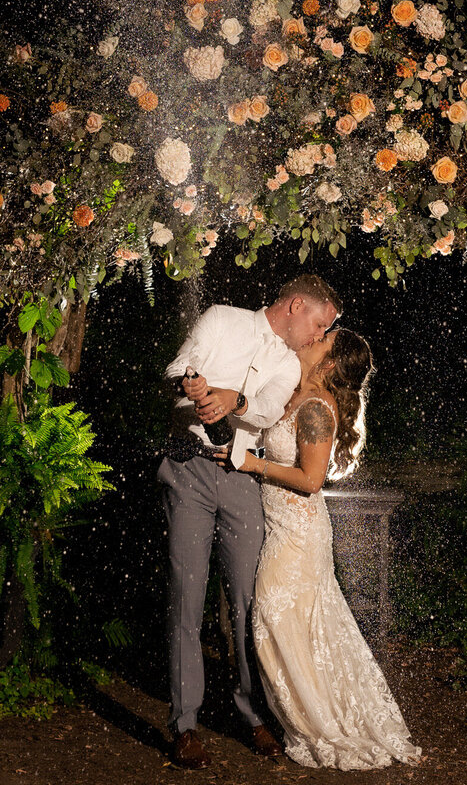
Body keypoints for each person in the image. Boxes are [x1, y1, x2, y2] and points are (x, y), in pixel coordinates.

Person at [217, 328, 422, 770]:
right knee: (297, 624)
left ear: (328, 364)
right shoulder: (295, 394)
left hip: (299, 533)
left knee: (273, 613)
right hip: (281, 524)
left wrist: (252, 464)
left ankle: (317, 724)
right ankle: (316, 715)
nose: (312, 339)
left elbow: (311, 481)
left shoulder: (315, 409)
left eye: (322, 340)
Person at [159, 275, 342, 770]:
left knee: (247, 601)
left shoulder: (285, 362)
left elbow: (263, 414)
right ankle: (185, 723)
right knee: (187, 596)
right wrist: (192, 384)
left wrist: (233, 400)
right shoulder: (221, 318)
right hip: (188, 470)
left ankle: (253, 712)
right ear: (297, 305)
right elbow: (178, 365)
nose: (317, 337)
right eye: (319, 325)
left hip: (241, 478)